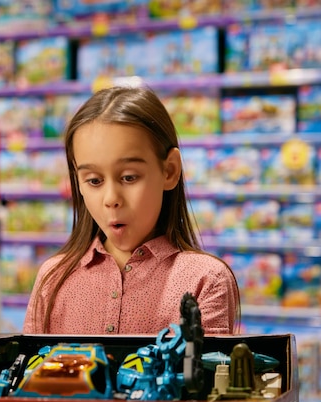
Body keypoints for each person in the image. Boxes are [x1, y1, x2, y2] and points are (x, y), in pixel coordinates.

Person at [23, 85, 240, 335]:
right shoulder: (53, 277)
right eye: (94, 180)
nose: (111, 199)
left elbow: (204, 373)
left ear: (169, 171)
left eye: (128, 177)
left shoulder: (205, 279)